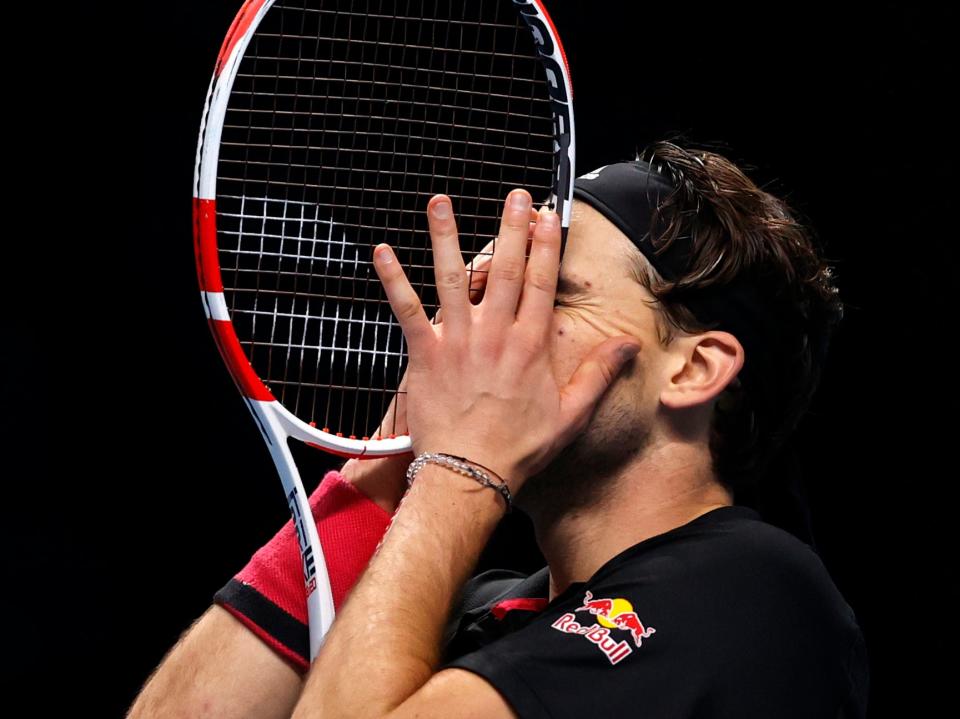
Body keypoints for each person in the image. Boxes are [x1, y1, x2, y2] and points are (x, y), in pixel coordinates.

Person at [128, 141, 868, 718]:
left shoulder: (758, 591)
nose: (485, 329)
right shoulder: (480, 609)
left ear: (694, 369)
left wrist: (456, 467)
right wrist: (378, 480)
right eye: (486, 291)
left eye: (551, 294)